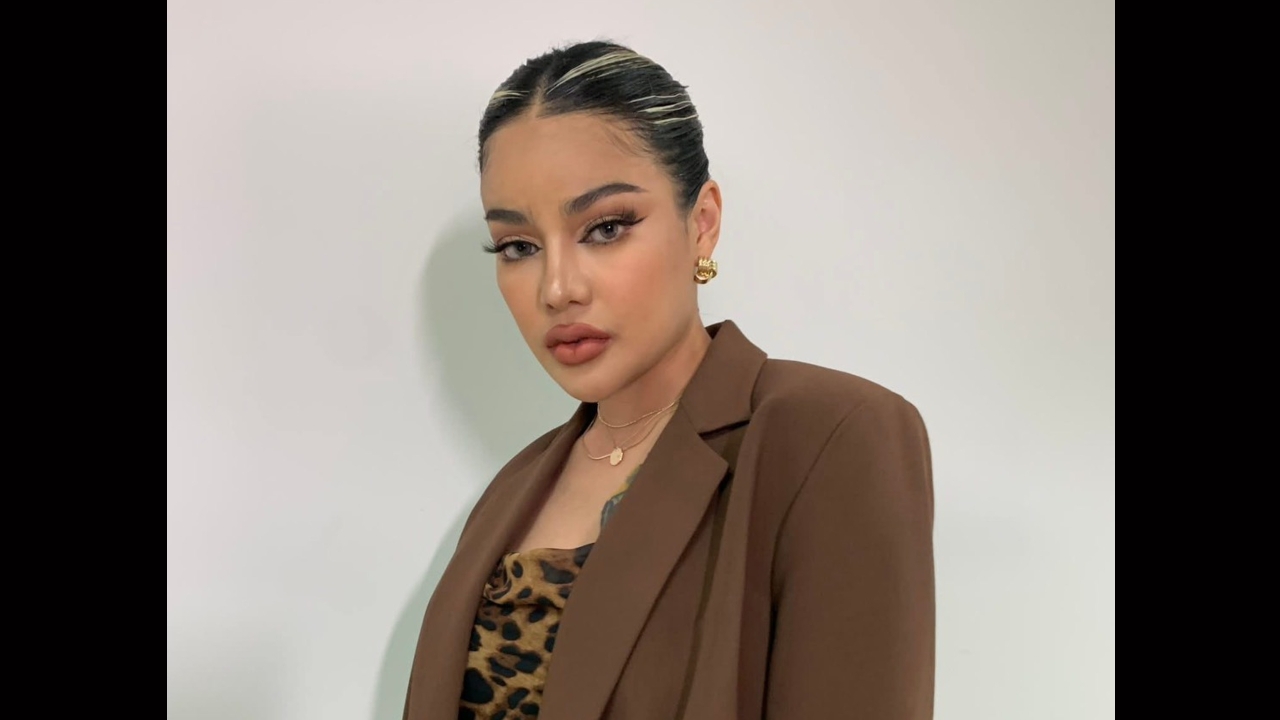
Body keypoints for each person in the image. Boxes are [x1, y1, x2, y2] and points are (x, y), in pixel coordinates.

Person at [403, 40, 935, 720]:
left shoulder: (827, 437)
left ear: (702, 224)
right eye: (519, 246)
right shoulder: (512, 490)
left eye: (606, 228)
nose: (557, 289)